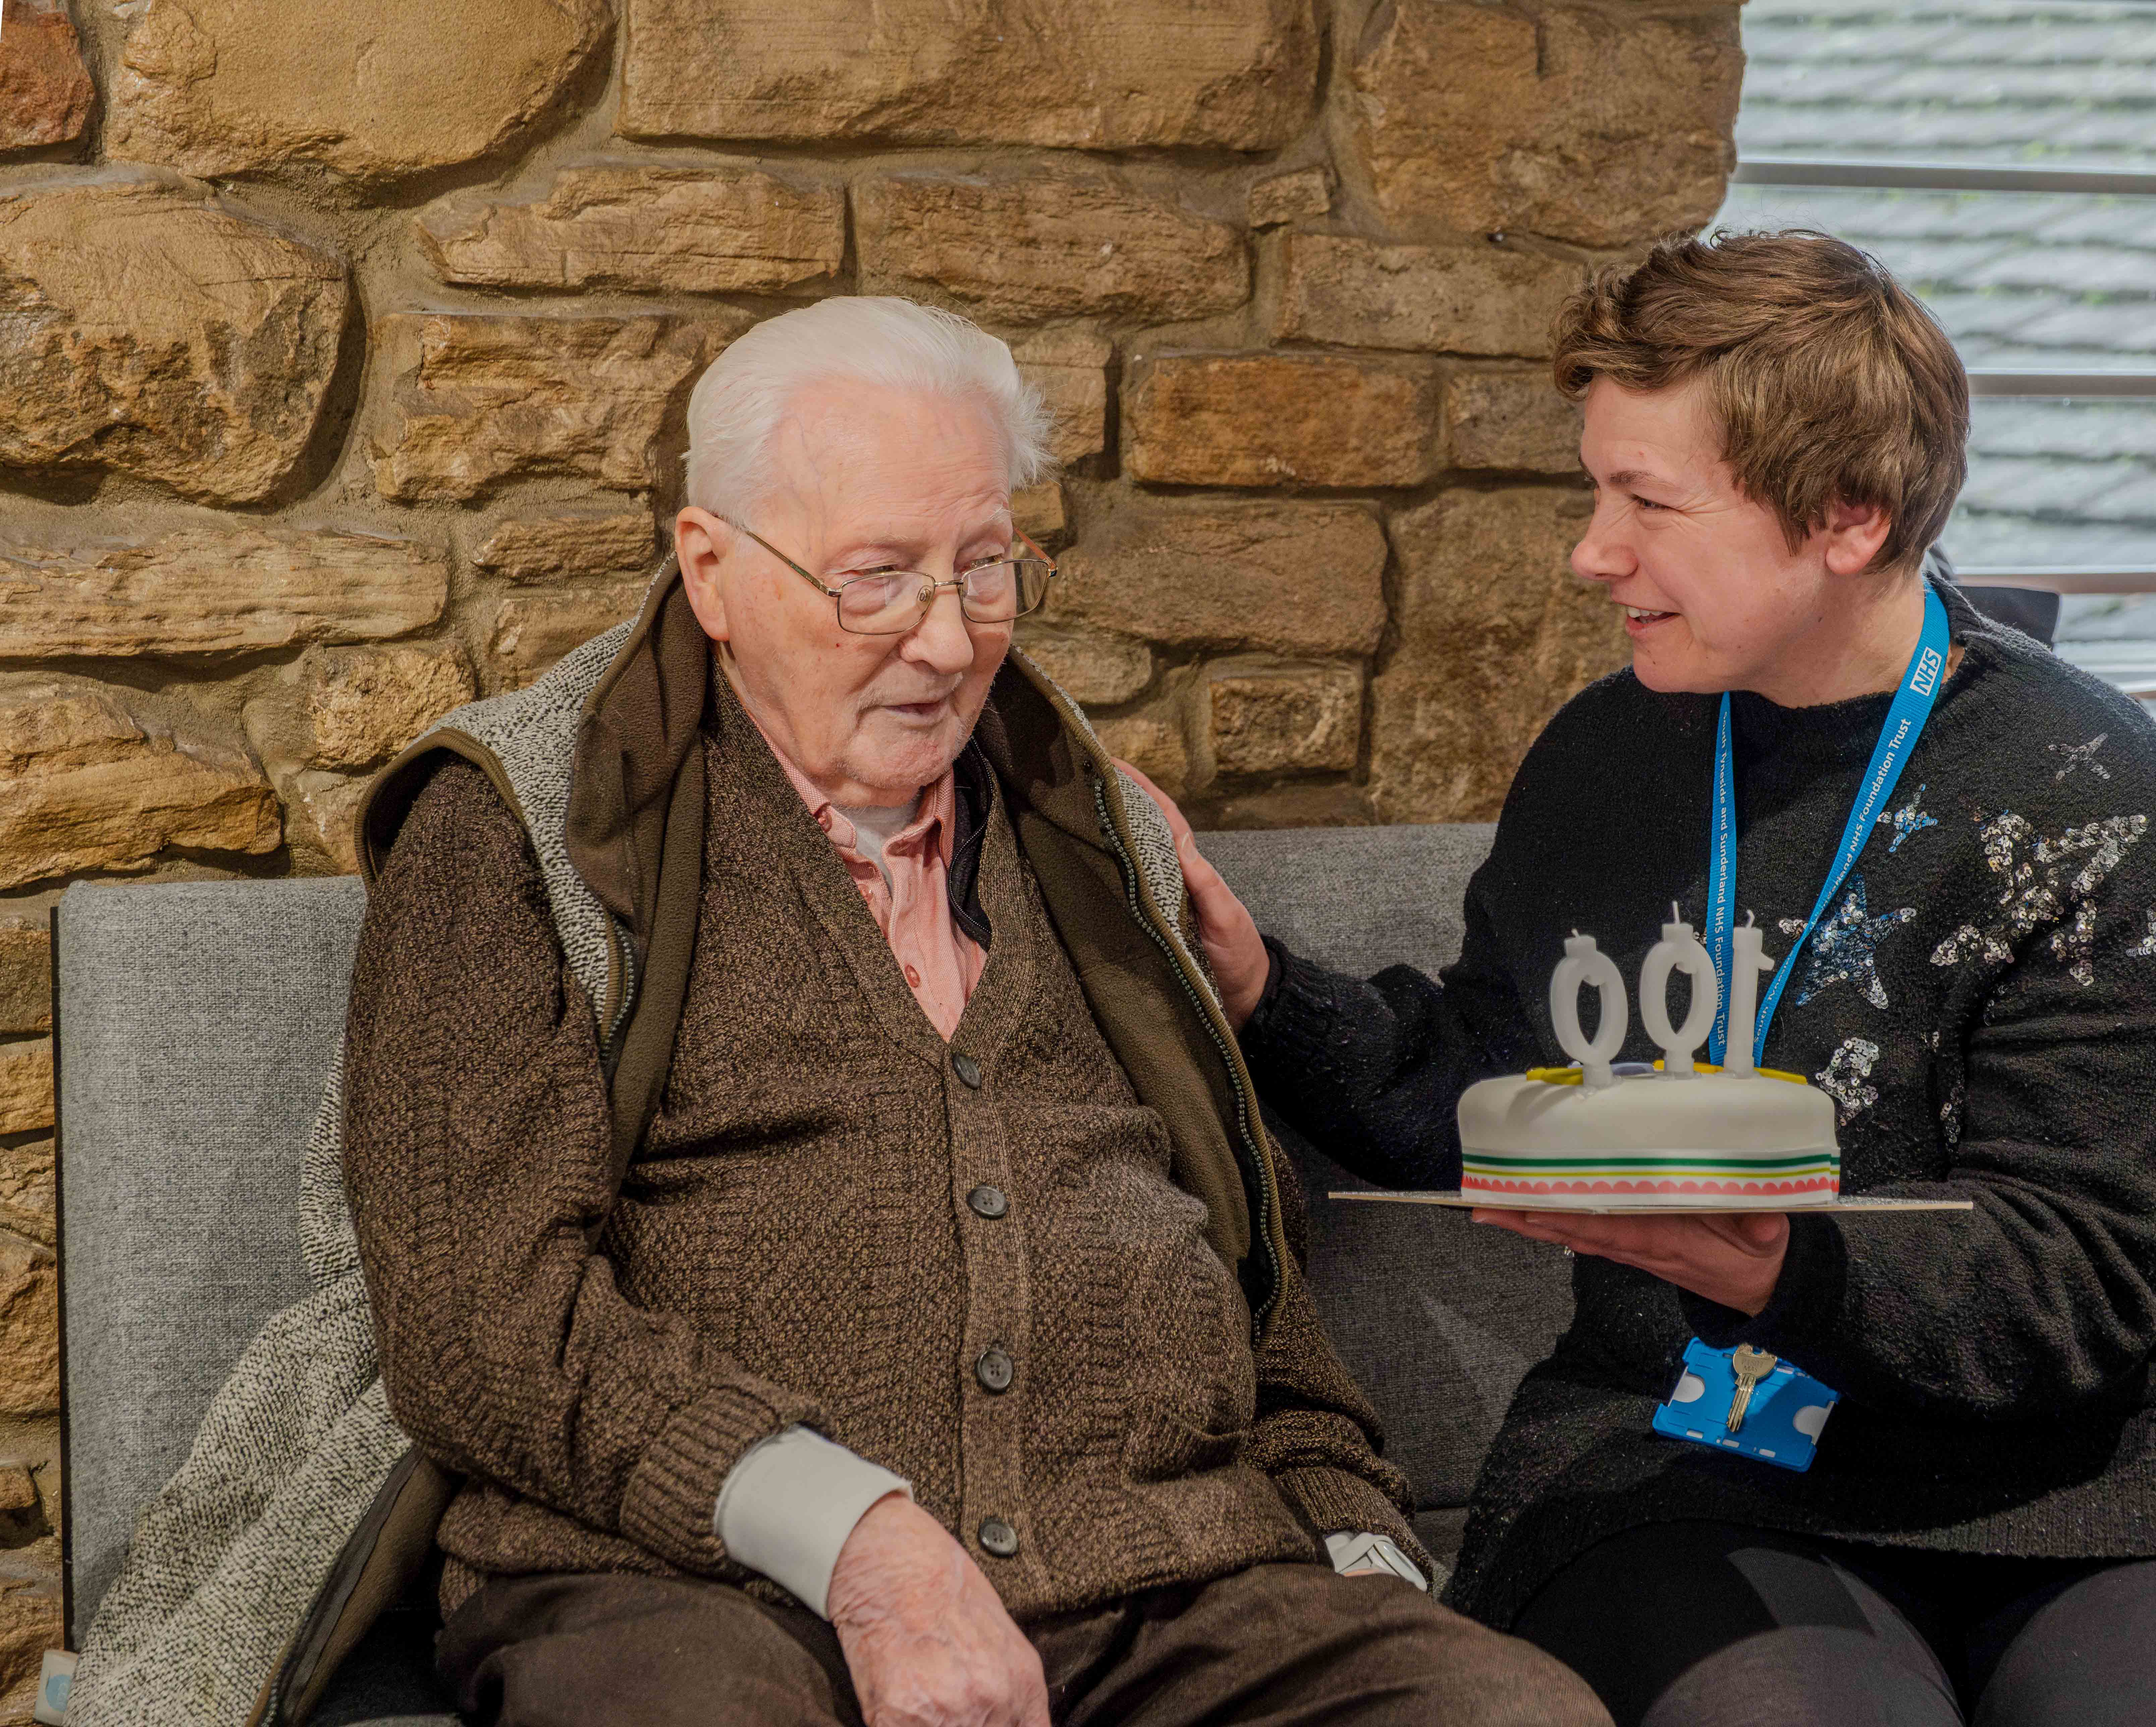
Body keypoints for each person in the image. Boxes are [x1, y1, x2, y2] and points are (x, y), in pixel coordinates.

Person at [1134, 232, 2156, 1726]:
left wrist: (1781, 1261)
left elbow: (2082, 1279)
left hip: (2108, 1465)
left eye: (1649, 502)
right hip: (1692, 1452)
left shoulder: (2094, 794)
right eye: (1600, 490)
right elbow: (1496, 1088)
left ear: (1848, 516)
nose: (1594, 551)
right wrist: (1263, 987)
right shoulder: (1608, 759)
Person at [333, 297, 1611, 1727]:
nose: (947, 644)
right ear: (712, 569)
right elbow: (479, 1321)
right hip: (695, 1584)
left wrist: (1360, 1547)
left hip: (1165, 1581)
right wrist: (862, 1540)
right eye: (876, 578)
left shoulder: (1095, 831)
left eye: (987, 570)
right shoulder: (514, 828)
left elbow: (1251, 1264)